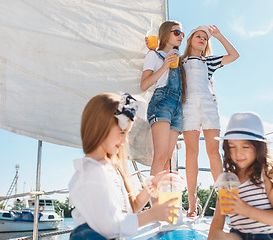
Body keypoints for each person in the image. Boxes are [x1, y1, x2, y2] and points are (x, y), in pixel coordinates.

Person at [68, 93, 180, 240]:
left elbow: (132, 208)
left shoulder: (111, 168)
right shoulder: (91, 173)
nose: (125, 141)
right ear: (100, 128)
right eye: (122, 133)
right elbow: (110, 227)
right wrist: (152, 215)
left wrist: (151, 185)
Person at [181, 25, 239, 217]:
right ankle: (191, 203)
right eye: (198, 36)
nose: (202, 40)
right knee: (191, 153)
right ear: (189, 39)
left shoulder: (209, 61)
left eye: (205, 39)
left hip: (208, 106)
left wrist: (219, 36)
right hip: (188, 106)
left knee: (213, 152)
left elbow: (234, 55)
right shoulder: (179, 62)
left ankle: (225, 199)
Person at [208, 112, 273, 240]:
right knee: (218, 236)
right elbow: (219, 218)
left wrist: (245, 210)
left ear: (258, 148)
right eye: (232, 147)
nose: (238, 153)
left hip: (268, 236)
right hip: (238, 235)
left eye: (245, 146)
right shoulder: (227, 181)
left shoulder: (266, 175)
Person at [141, 21, 186, 184]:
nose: (181, 36)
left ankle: (165, 203)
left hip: (177, 108)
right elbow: (144, 85)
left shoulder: (180, 58)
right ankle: (153, 204)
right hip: (161, 103)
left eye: (182, 34)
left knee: (168, 160)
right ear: (166, 34)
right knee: (160, 157)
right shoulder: (153, 55)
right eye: (176, 33)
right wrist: (164, 66)